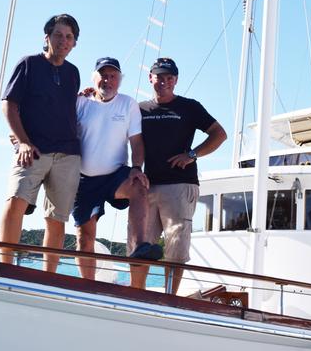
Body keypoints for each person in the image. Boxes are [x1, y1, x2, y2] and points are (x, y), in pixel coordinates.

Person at [0, 14, 81, 271]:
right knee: (16, 201)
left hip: (67, 153)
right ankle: (6, 266)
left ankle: (49, 275)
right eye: (58, 35)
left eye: (69, 37)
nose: (63, 41)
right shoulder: (29, 64)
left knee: (56, 218)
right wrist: (22, 141)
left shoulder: (73, 73)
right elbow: (9, 105)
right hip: (32, 149)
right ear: (47, 37)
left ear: (74, 43)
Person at [139, 57, 227, 294]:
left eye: (169, 77)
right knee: (140, 245)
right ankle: (137, 293)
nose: (164, 82)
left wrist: (192, 154)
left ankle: (170, 296)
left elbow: (219, 134)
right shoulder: (140, 109)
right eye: (159, 77)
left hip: (180, 185)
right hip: (147, 185)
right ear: (151, 78)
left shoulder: (189, 107)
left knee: (176, 247)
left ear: (175, 80)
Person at [73, 57, 160, 289]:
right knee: (85, 238)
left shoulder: (128, 104)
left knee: (140, 186)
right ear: (95, 78)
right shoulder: (81, 103)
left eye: (113, 76)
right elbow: (57, 123)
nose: (107, 80)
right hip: (84, 179)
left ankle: (140, 245)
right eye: (103, 75)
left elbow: (137, 141)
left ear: (119, 80)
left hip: (116, 175)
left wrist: (136, 168)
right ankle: (86, 288)